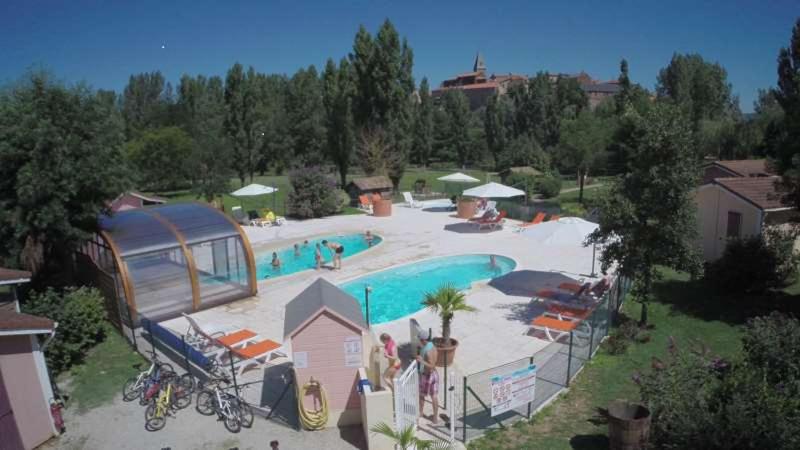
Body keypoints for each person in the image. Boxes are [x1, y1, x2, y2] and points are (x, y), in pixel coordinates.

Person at [416, 330, 439, 425]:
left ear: (423, 340)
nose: (419, 341)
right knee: (434, 396)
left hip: (427, 376)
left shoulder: (427, 351)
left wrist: (421, 361)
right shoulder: (433, 346)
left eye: (419, 339)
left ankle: (421, 413)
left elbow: (431, 365)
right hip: (435, 375)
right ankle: (435, 418)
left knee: (421, 396)